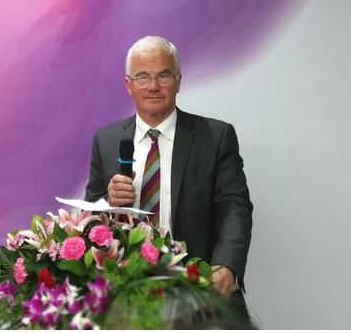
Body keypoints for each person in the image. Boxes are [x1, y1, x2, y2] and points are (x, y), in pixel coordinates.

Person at [84, 36, 253, 299]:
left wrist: (226, 264)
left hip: (198, 286)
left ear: (178, 81)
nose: (153, 86)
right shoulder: (105, 141)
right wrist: (109, 202)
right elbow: (89, 218)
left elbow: (235, 206)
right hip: (127, 290)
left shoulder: (215, 137)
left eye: (163, 75)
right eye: (142, 76)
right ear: (128, 85)